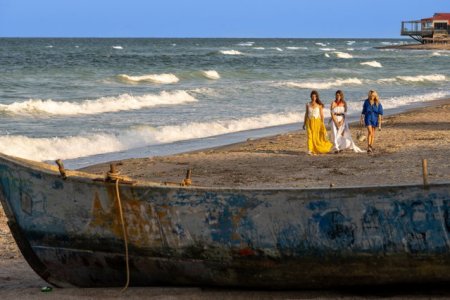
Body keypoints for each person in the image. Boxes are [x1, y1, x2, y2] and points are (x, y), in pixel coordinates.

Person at [303, 90, 332, 155]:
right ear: (311, 97)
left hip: (317, 122)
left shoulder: (319, 105)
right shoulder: (307, 104)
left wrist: (323, 124)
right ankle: (310, 150)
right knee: (310, 136)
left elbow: (322, 115)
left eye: (315, 96)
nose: (314, 97)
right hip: (309, 122)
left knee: (316, 137)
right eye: (312, 96)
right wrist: (304, 123)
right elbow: (306, 114)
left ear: (316, 97)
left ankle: (316, 149)